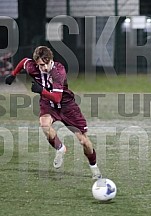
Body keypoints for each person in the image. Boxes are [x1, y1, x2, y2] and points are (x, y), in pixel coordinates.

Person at [5, 46, 102, 179]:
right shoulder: (32, 67)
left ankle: (94, 167)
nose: (44, 67)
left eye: (46, 64)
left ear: (51, 60)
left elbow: (57, 98)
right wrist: (13, 74)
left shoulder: (58, 71)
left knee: (84, 141)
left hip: (67, 107)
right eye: (40, 65)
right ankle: (60, 148)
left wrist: (41, 91)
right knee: (44, 125)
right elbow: (23, 62)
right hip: (48, 105)